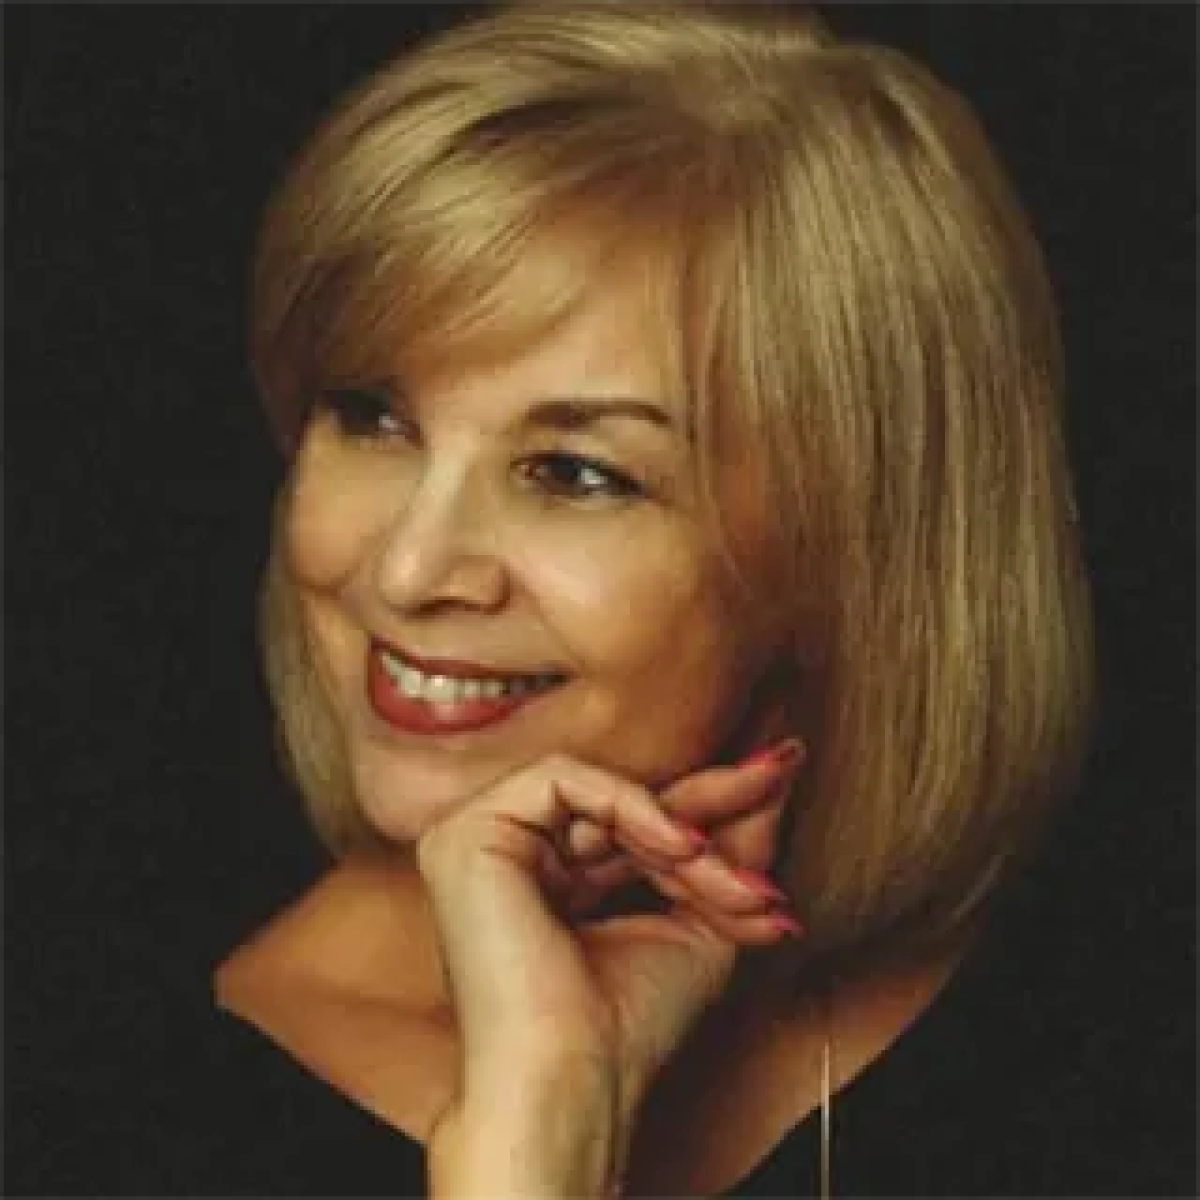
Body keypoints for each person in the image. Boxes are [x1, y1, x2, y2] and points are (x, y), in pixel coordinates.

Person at [190, 1, 1098, 1195]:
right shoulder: (97, 1100)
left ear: (853, 551)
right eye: (373, 417)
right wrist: (540, 1127)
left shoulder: (1121, 1037)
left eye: (575, 473)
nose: (405, 571)